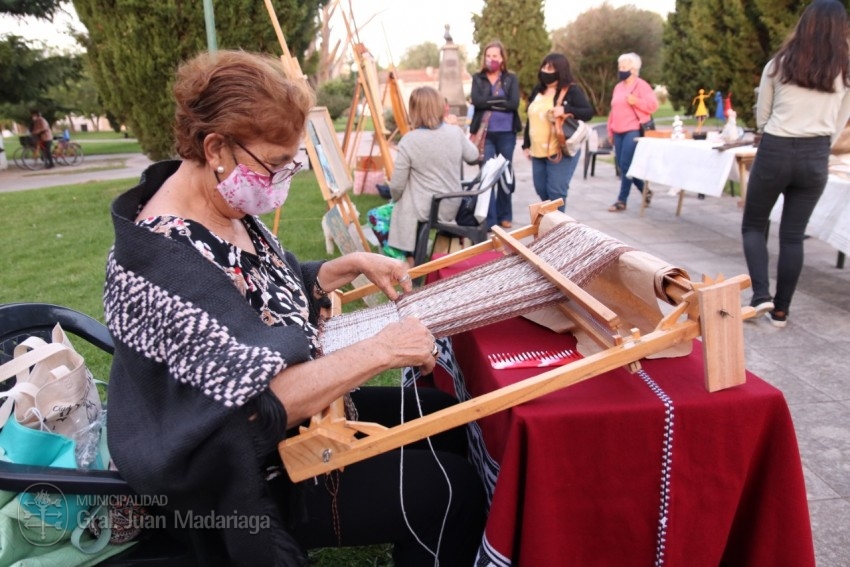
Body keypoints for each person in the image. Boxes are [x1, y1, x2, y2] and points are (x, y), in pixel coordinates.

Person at [103, 50, 485, 566]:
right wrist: (381, 350)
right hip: (244, 479)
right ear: (216, 146)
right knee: (450, 492)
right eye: (276, 163)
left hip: (287, 430)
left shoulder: (219, 203)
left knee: (447, 418)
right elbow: (258, 405)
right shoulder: (164, 261)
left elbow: (259, 295)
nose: (283, 177)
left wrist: (336, 267)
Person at [741, 0, 850, 328]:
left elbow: (762, 117)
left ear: (804, 25)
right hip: (816, 154)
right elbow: (841, 121)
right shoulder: (844, 71)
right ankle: (781, 312)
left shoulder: (778, 65)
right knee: (792, 236)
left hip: (775, 149)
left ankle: (761, 296)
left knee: (753, 225)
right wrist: (818, 148)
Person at [388, 86, 480, 264]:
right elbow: (474, 156)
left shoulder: (410, 140)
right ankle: (410, 256)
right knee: (411, 192)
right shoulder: (454, 132)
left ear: (414, 111)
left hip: (428, 208)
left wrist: (395, 198)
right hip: (453, 201)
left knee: (402, 199)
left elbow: (397, 185)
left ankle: (408, 258)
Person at [521, 52, 593, 212]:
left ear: (561, 71)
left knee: (556, 193)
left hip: (559, 150)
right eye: (545, 67)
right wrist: (526, 145)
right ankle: (552, 222)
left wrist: (566, 109)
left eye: (551, 68)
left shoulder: (571, 91)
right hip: (537, 151)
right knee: (541, 189)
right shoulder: (537, 91)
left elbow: (588, 112)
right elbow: (531, 119)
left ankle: (559, 231)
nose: (546, 71)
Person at [469, 40, 522, 229]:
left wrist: (489, 102)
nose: (492, 59)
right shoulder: (478, 78)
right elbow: (477, 101)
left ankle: (505, 215)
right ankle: (489, 219)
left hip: (507, 133)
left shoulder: (510, 78)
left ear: (502, 58)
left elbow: (513, 103)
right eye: (488, 56)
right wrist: (499, 101)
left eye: (495, 56)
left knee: (505, 174)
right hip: (485, 134)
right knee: (487, 175)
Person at [606, 52, 659, 212]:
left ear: (634, 69)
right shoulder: (618, 87)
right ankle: (645, 191)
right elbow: (613, 110)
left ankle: (622, 201)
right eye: (619, 66)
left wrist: (636, 101)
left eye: (624, 66)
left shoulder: (641, 85)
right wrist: (610, 130)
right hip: (618, 130)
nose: (621, 69)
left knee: (626, 164)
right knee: (624, 167)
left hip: (633, 130)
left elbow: (653, 105)